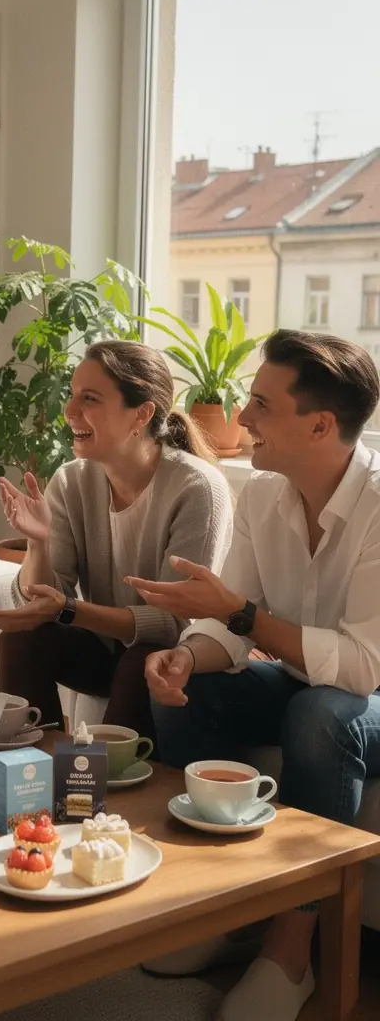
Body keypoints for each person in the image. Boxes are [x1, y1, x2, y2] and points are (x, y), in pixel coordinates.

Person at [130, 330, 380, 1021]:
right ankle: (219, 909)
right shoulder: (266, 495)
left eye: (260, 405)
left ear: (321, 424)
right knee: (192, 693)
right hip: (307, 681)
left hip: (364, 699)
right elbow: (227, 624)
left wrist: (238, 616)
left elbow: (361, 670)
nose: (240, 419)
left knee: (323, 714)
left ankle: (291, 947)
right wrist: (187, 655)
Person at [0, 340, 233, 742]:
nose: (69, 410)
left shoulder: (198, 488)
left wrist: (69, 610)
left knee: (142, 658)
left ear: (143, 413)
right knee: (21, 639)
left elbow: (173, 624)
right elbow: (38, 607)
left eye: (90, 398)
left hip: (179, 659)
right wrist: (39, 544)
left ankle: (103, 790)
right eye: (72, 395)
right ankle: (31, 774)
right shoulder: (72, 480)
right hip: (107, 648)